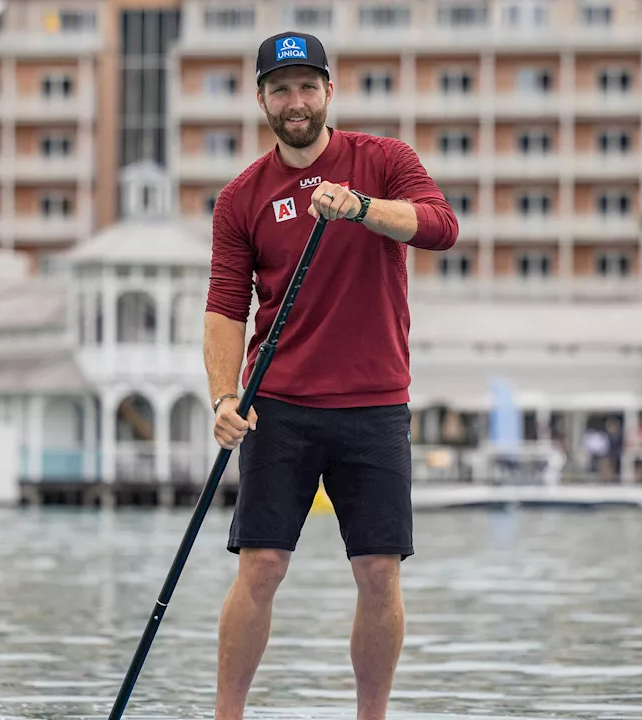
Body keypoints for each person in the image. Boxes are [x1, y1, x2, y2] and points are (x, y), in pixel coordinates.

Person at [201, 30, 459, 720]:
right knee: (260, 566)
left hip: (374, 405)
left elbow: (440, 226)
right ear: (261, 98)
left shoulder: (383, 161)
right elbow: (226, 307)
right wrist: (224, 396)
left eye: (308, 87)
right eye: (281, 88)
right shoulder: (240, 198)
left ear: (328, 94)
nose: (296, 101)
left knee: (378, 573)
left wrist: (363, 209)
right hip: (277, 405)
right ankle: (228, 716)